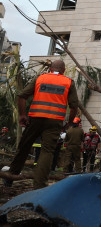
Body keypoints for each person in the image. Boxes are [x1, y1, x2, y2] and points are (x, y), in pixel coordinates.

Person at [5, 60, 80, 189]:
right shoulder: (68, 82)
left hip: (35, 118)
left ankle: (11, 176)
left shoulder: (40, 78)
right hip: (54, 121)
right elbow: (74, 106)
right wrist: (68, 122)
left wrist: (22, 115)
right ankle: (39, 186)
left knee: (24, 146)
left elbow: (22, 96)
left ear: (50, 68)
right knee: (47, 151)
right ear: (63, 70)